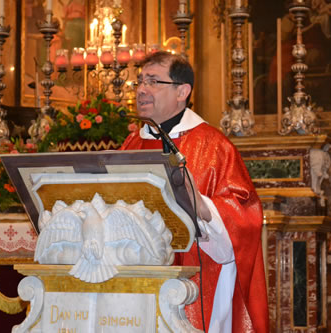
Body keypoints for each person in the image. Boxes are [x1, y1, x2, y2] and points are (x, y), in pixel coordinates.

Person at [120, 51, 269, 332]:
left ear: (182, 91)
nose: (141, 90)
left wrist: (203, 207)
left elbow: (246, 217)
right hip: (137, 281)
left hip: (198, 284)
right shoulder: (131, 143)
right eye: (139, 81)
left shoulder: (214, 146)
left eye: (153, 81)